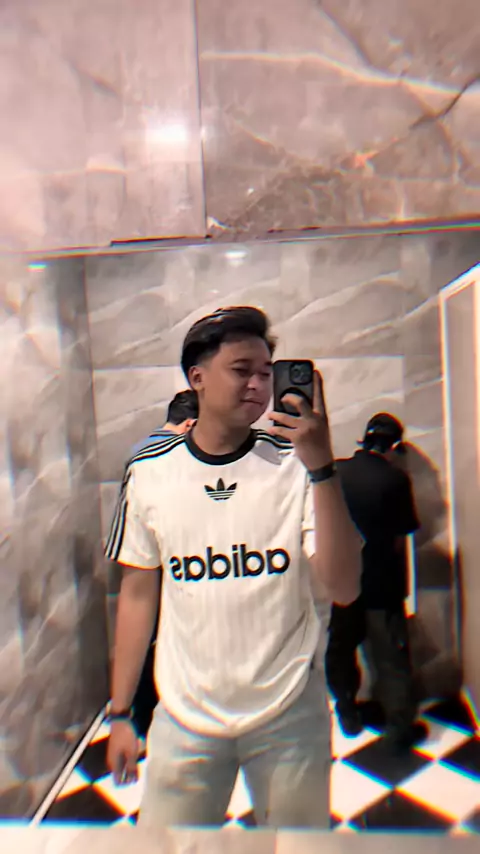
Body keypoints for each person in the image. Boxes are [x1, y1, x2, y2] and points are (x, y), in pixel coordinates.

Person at [105, 306, 362, 830]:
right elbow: (137, 595)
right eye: (242, 370)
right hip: (185, 715)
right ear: (196, 377)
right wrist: (120, 713)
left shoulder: (293, 464)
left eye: (266, 372)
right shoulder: (150, 472)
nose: (258, 385)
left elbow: (344, 587)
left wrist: (322, 467)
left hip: (288, 711)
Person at [325, 413, 427, 755]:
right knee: (391, 660)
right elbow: (400, 539)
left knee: (340, 653)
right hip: (381, 587)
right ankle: (399, 730)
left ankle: (348, 714)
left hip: (342, 585)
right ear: (394, 446)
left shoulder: (337, 472)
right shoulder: (395, 480)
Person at [127, 390, 199, 749]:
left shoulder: (139, 451)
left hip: (142, 563)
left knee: (147, 644)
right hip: (167, 567)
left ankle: (143, 723)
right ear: (190, 424)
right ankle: (157, 722)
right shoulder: (172, 456)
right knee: (164, 643)